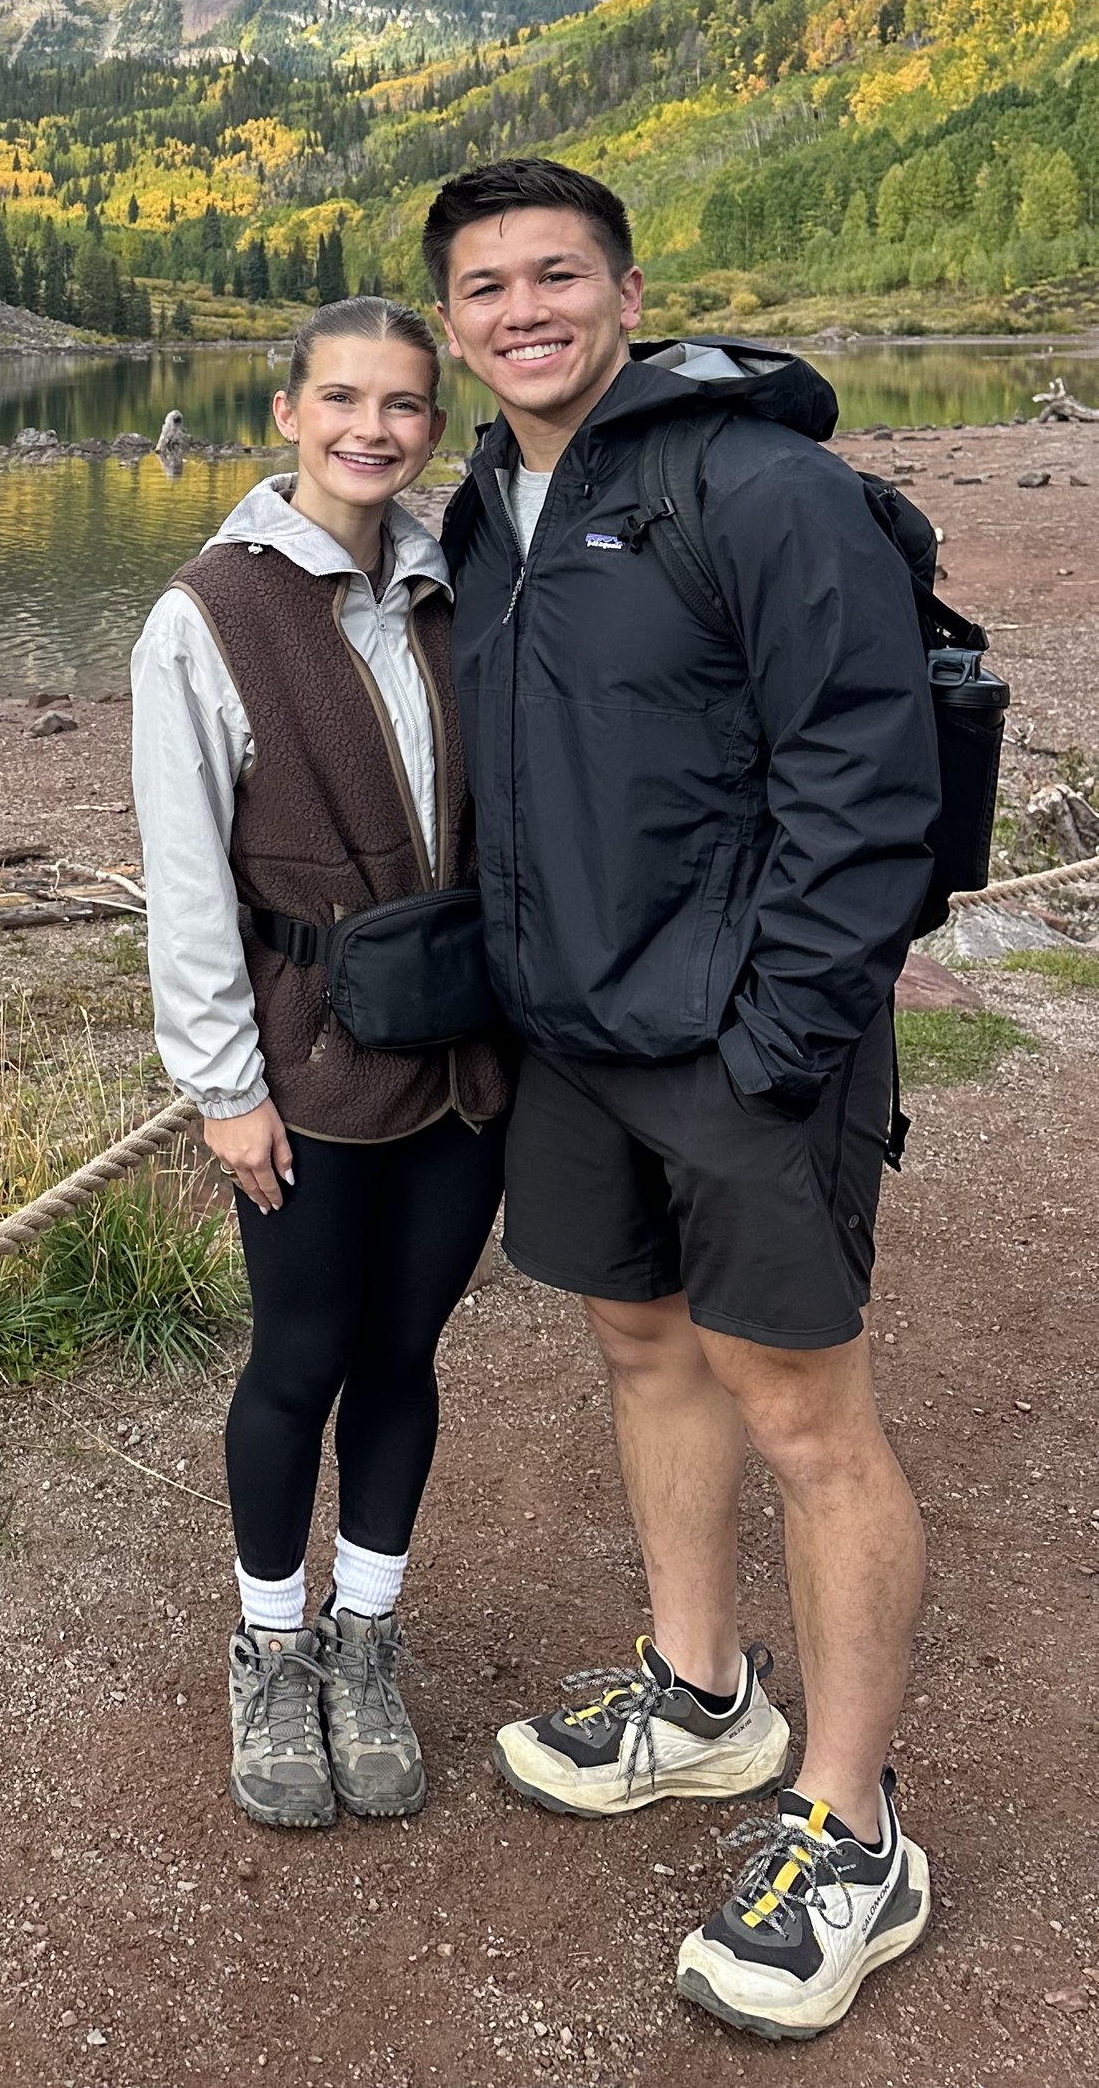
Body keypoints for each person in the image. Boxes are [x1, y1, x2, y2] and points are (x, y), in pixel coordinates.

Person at [423, 155, 937, 2043]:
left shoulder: (759, 486)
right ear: (458, 326)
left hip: (742, 1048)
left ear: (629, 294)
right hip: (575, 1042)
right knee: (643, 1348)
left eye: (556, 274)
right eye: (485, 288)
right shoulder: (492, 507)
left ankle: (858, 1834)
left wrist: (781, 1038)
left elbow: (866, 779)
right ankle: (707, 1699)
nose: (523, 308)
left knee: (806, 1413)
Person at [132, 297, 511, 1833]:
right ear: (284, 410)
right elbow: (184, 874)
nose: (374, 427)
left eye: (406, 404)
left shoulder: (452, 588)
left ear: (432, 425)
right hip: (306, 1065)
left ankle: (366, 1635)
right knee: (298, 1360)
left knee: (407, 1354)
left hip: (465, 1062)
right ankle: (271, 1648)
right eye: (342, 397)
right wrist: (225, 1086)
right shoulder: (204, 614)